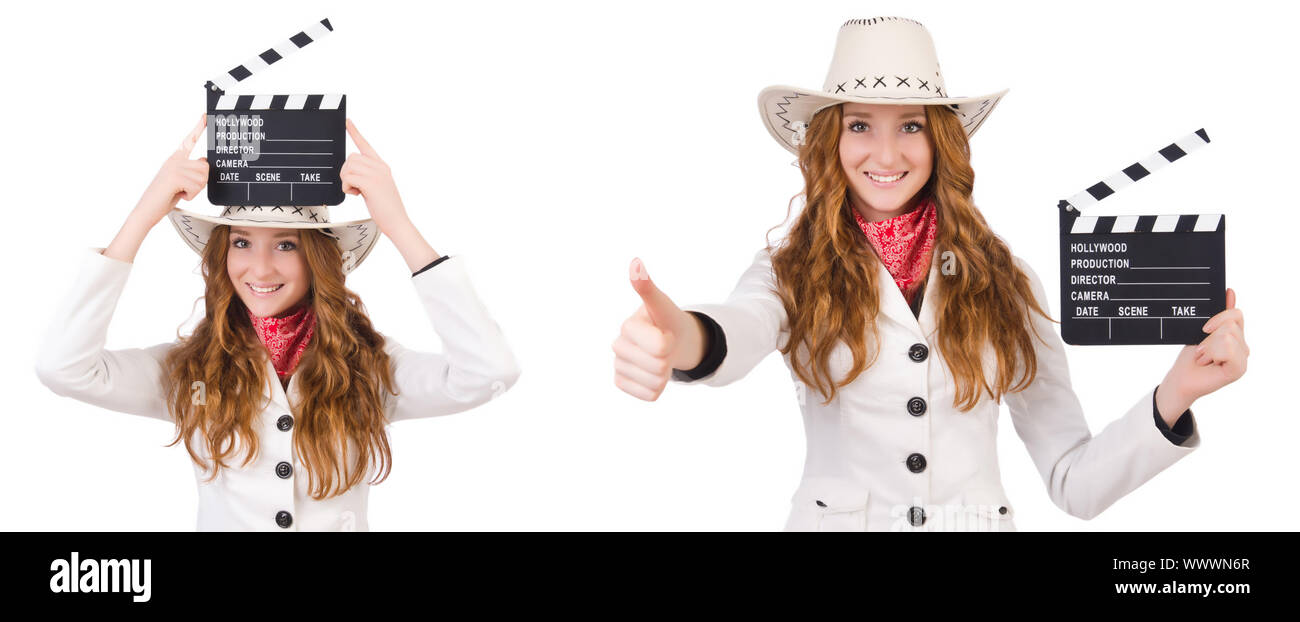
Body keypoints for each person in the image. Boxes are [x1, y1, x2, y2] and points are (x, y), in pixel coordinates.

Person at [611, 17, 1248, 531]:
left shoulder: (1007, 282)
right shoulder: (791, 269)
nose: (886, 153)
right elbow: (738, 327)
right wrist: (680, 337)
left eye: (911, 125)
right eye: (860, 125)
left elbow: (1073, 482)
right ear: (831, 140)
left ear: (940, 140)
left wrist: (1177, 392)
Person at [35, 115, 520, 531]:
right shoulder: (190, 374)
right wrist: (143, 215)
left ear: (318, 260)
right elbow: (63, 367)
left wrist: (399, 225)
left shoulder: (369, 368)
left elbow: (490, 372)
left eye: (286, 244)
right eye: (241, 242)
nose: (260, 269)